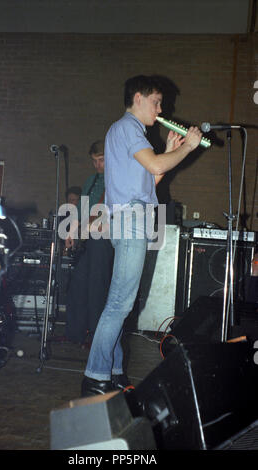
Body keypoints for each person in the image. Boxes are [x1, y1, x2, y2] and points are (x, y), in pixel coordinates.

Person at [81, 75, 202, 396]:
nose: (161, 109)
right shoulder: (129, 128)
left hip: (132, 217)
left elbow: (152, 178)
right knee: (119, 303)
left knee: (121, 302)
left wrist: (169, 151)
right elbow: (154, 166)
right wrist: (188, 146)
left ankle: (115, 370)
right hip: (131, 220)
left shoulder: (129, 133)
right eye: (156, 102)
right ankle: (95, 376)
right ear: (138, 98)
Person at [64, 141, 114, 346]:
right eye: (94, 161)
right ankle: (74, 335)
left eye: (101, 160)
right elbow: (81, 210)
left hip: (104, 240)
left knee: (97, 288)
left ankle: (97, 337)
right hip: (87, 240)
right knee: (77, 285)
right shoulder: (91, 180)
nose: (97, 165)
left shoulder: (117, 180)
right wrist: (71, 230)